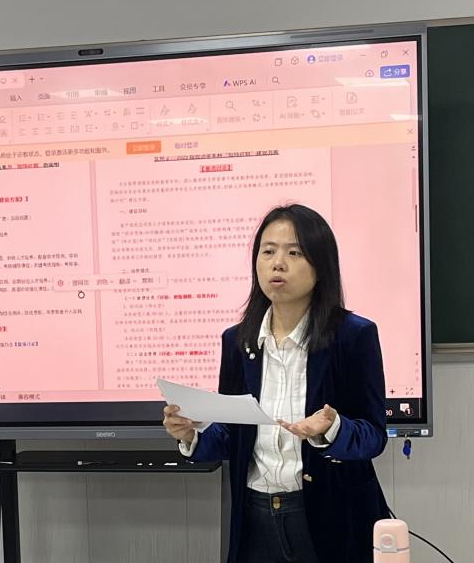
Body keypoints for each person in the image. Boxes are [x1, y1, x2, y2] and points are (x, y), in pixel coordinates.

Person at [163, 204, 390, 563]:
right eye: (268, 251)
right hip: (255, 514)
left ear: (321, 265)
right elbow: (233, 435)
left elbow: (374, 435)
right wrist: (192, 435)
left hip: (332, 515)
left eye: (294, 253)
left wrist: (332, 428)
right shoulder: (237, 340)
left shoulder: (353, 336)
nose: (277, 263)